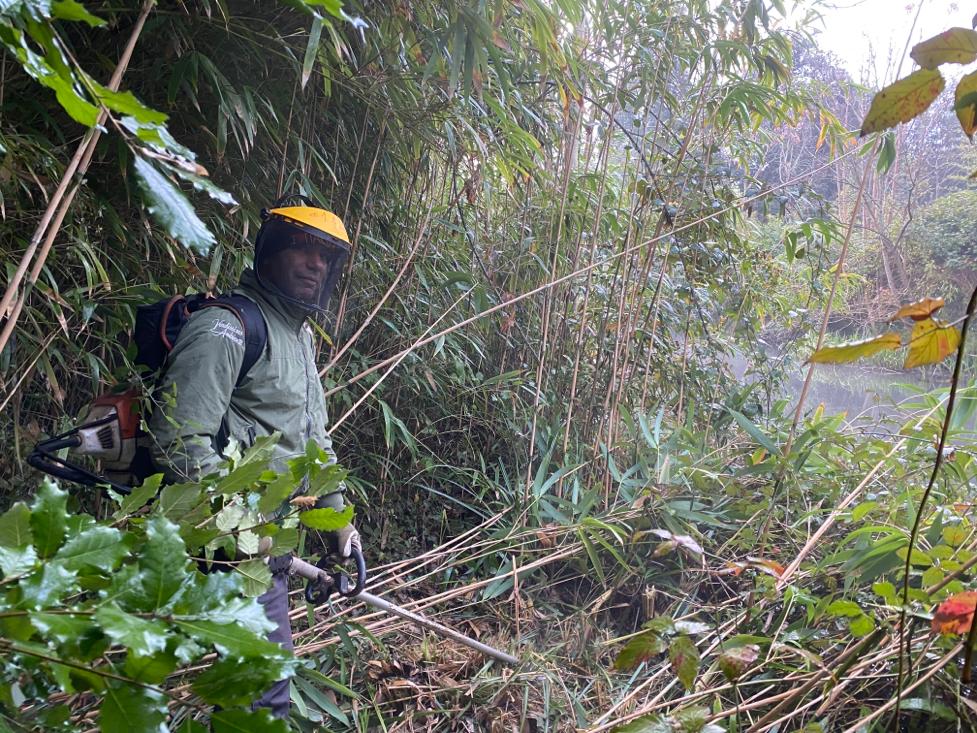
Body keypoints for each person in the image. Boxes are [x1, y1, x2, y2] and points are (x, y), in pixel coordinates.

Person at [148, 195, 360, 719]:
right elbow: (178, 441)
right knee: (262, 697)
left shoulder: (299, 337)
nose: (315, 264)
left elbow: (315, 445)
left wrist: (340, 526)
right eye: (303, 250)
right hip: (229, 541)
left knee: (253, 691)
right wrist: (244, 522)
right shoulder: (228, 326)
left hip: (268, 538)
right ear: (271, 253)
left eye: (325, 257)